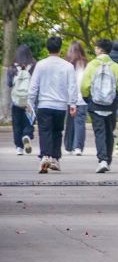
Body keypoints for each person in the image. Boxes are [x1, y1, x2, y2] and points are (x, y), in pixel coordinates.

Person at [27, 36, 79, 175]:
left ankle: (45, 156)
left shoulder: (41, 64)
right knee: (57, 132)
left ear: (47, 48)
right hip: (60, 106)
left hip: (44, 104)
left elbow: (34, 86)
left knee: (45, 131)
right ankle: (55, 159)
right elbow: (72, 86)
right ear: (60, 49)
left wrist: (30, 102)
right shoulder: (68, 66)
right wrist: (73, 103)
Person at [81, 39, 118, 173]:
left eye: (96, 48)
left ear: (99, 50)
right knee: (109, 132)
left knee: (99, 132)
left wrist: (87, 99)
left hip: (95, 105)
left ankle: (102, 160)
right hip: (111, 105)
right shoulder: (116, 67)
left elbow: (84, 86)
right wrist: (116, 100)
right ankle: (107, 160)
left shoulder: (91, 65)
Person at [6, 44, 36, 155]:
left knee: (17, 124)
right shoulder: (34, 66)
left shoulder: (12, 68)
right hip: (29, 101)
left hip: (16, 101)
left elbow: (9, 83)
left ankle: (19, 147)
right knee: (29, 121)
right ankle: (27, 135)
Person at [63, 41, 89, 157]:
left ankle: (69, 146)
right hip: (83, 98)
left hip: (69, 98)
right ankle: (78, 147)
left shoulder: (66, 65)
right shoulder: (87, 64)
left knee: (69, 122)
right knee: (80, 123)